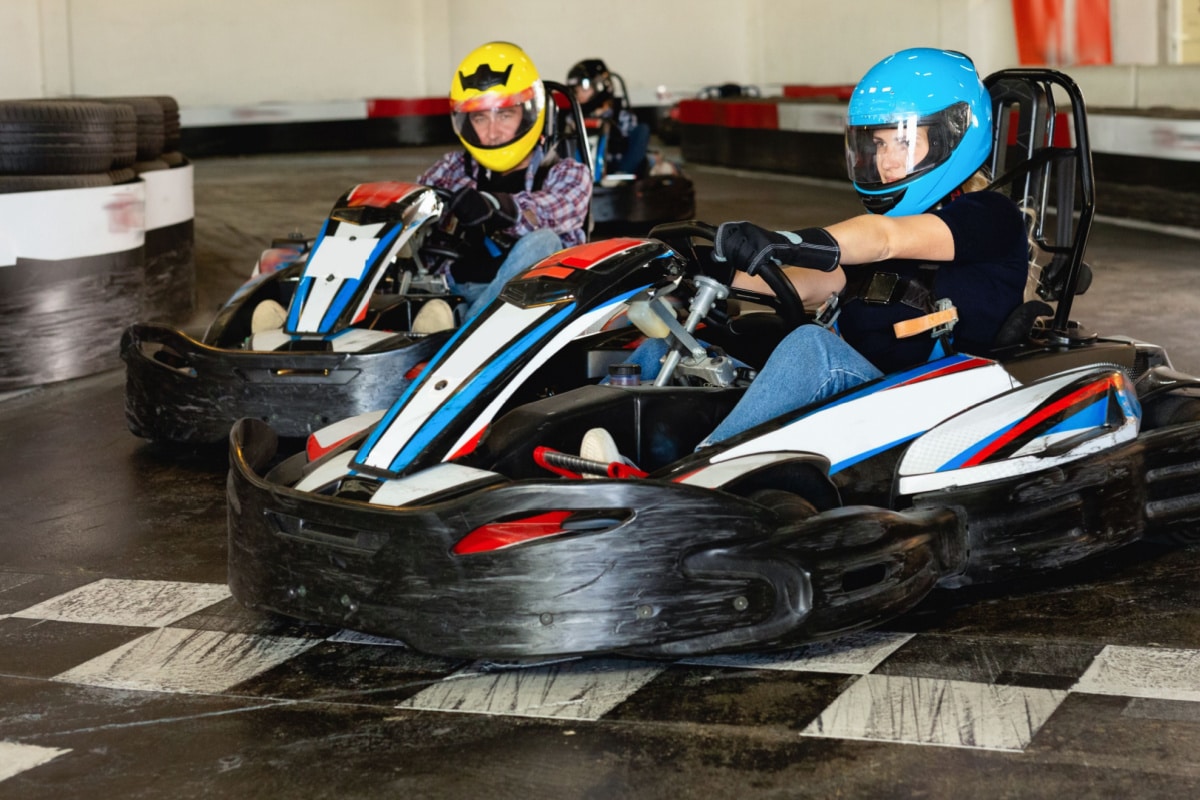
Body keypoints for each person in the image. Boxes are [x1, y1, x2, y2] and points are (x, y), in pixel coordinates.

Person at [582, 47, 1029, 464]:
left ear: (954, 136)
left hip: (928, 400)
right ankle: (590, 446)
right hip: (861, 386)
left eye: (904, 142)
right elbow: (811, 282)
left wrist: (783, 238)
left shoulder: (989, 217)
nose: (888, 161)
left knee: (811, 347)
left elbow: (883, 238)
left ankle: (702, 469)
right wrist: (707, 268)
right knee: (677, 336)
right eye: (879, 144)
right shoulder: (886, 232)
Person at [413, 42, 592, 331]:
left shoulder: (567, 173)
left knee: (544, 242)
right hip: (454, 291)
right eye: (479, 117)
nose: (492, 132)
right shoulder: (452, 168)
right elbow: (410, 204)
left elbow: (552, 212)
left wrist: (496, 207)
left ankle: (464, 332)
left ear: (530, 113)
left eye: (505, 115)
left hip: (533, 307)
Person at [566, 58, 651, 177]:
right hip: (582, 170)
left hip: (615, 168)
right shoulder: (573, 116)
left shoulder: (621, 114)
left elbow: (632, 143)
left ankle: (623, 174)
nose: (579, 94)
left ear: (600, 85)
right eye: (576, 90)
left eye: (584, 88)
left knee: (643, 130)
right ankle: (577, 177)